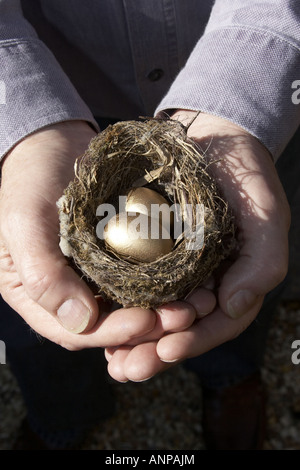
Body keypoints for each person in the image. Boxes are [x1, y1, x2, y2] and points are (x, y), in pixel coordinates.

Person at [0, 0, 299, 449]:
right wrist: (24, 124)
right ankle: (61, 419)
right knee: (38, 298)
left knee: (243, 260)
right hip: (64, 84)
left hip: (243, 106)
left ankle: (231, 375)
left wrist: (249, 78)